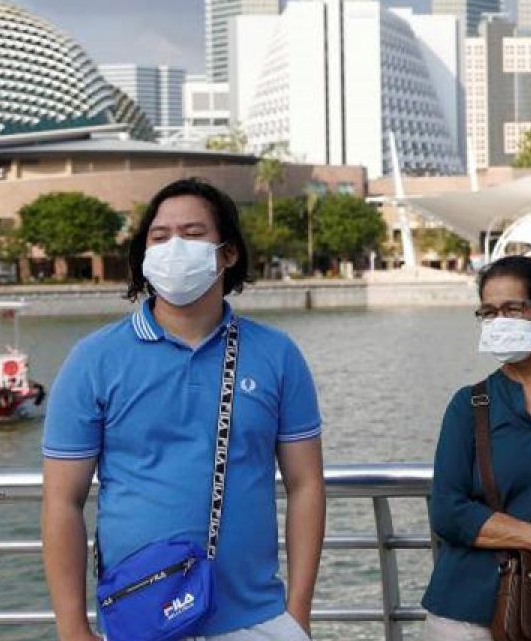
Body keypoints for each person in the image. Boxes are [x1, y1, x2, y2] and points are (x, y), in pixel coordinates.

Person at [41, 178, 325, 641]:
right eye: (159, 236)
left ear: (227, 253)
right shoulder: (94, 359)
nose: (174, 246)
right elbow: (62, 501)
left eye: (193, 234)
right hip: (139, 619)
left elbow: (306, 483)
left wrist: (297, 613)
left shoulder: (277, 354)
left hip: (258, 620)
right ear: (144, 254)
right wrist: (72, 628)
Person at [423, 256, 531, 641]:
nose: (499, 321)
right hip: (464, 614)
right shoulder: (468, 406)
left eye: (512, 309)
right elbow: (448, 512)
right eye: (489, 312)